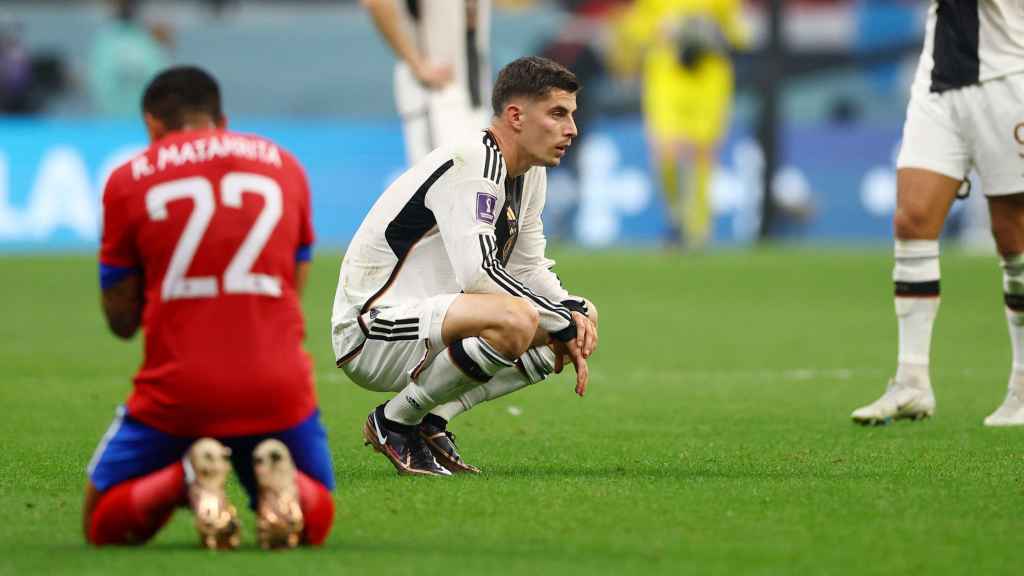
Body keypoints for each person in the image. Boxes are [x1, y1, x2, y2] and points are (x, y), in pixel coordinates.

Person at [85, 66, 335, 549]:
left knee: (102, 523)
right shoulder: (285, 165)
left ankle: (183, 479)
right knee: (315, 517)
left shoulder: (128, 178)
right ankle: (278, 481)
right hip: (276, 389)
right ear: (222, 119)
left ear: (153, 125)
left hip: (178, 394)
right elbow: (292, 286)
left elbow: (121, 322)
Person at [331, 56, 599, 476]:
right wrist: (557, 319)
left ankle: (431, 423)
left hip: (434, 318)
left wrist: (571, 313)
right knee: (519, 318)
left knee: (577, 314)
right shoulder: (473, 160)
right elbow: (479, 273)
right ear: (515, 116)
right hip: (371, 330)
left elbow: (529, 267)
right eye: (557, 114)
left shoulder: (528, 174)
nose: (572, 129)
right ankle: (394, 421)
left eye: (572, 115)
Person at [851, 0, 1024, 427]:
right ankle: (912, 381)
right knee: (912, 219)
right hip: (940, 80)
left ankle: (1022, 384)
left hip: (1010, 75)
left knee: (1013, 236)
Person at [610, 0, 747, 249]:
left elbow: (739, 34)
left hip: (709, 74)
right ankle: (675, 215)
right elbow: (634, 27)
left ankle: (699, 230)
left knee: (703, 152)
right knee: (667, 151)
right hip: (667, 74)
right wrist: (660, 28)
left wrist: (711, 31)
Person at [361, 0, 491, 165]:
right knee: (441, 185)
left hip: (475, 91)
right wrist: (417, 64)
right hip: (434, 98)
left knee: (476, 181)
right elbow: (376, 3)